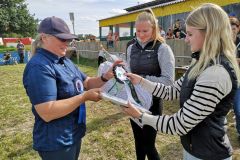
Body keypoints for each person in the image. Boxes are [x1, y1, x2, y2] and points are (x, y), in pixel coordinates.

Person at [123, 3, 240, 160]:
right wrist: (141, 81)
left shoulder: (215, 73)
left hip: (208, 154)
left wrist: (142, 117)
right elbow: (171, 91)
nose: (186, 40)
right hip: (195, 149)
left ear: (209, 34)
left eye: (190, 34)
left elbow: (181, 123)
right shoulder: (200, 63)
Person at [23, 16, 121, 160]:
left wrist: (106, 76)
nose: (67, 43)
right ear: (44, 38)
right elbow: (47, 112)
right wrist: (84, 97)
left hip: (72, 133)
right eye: (62, 39)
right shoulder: (39, 67)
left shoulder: (64, 61)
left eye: (68, 39)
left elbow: (86, 83)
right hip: (56, 142)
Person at [126, 8, 175, 160]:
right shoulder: (130, 47)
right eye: (138, 31)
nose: (140, 35)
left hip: (153, 102)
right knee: (138, 142)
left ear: (154, 29)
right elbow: (128, 70)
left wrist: (142, 79)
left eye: (145, 31)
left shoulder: (163, 49)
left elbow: (168, 81)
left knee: (149, 145)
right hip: (135, 101)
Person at [230, 17, 240, 139]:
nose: (231, 31)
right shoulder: (223, 42)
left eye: (233, 28)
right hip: (226, 80)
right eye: (229, 28)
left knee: (238, 108)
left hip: (238, 80)